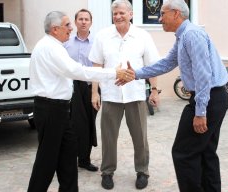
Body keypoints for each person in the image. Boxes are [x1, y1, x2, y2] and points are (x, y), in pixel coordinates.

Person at [27, 11, 134, 192]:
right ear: (55, 29)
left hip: (59, 110)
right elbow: (78, 71)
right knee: (47, 160)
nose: (71, 28)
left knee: (68, 154)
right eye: (67, 25)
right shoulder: (50, 48)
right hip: (51, 109)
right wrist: (113, 73)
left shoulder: (55, 45)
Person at [133, 0, 228, 191]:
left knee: (183, 153)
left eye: (162, 14)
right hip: (212, 97)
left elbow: (203, 75)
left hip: (208, 99)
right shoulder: (183, 35)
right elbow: (167, 63)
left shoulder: (191, 35)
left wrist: (200, 112)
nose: (160, 19)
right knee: (206, 152)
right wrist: (135, 74)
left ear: (176, 13)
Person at [89, 0, 160, 190]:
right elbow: (96, 65)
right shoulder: (102, 36)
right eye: (115, 13)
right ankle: (107, 172)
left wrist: (154, 90)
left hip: (135, 94)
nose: (118, 16)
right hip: (111, 95)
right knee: (108, 137)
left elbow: (151, 66)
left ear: (131, 14)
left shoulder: (142, 36)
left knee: (140, 137)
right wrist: (94, 92)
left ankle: (142, 171)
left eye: (121, 13)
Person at [64, 9, 99, 172]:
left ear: (91, 22)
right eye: (80, 19)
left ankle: (84, 160)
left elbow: (100, 67)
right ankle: (70, 159)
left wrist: (96, 92)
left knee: (89, 124)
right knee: (73, 125)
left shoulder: (97, 43)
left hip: (92, 87)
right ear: (75, 22)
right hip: (72, 88)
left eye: (87, 19)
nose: (83, 22)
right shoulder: (66, 43)